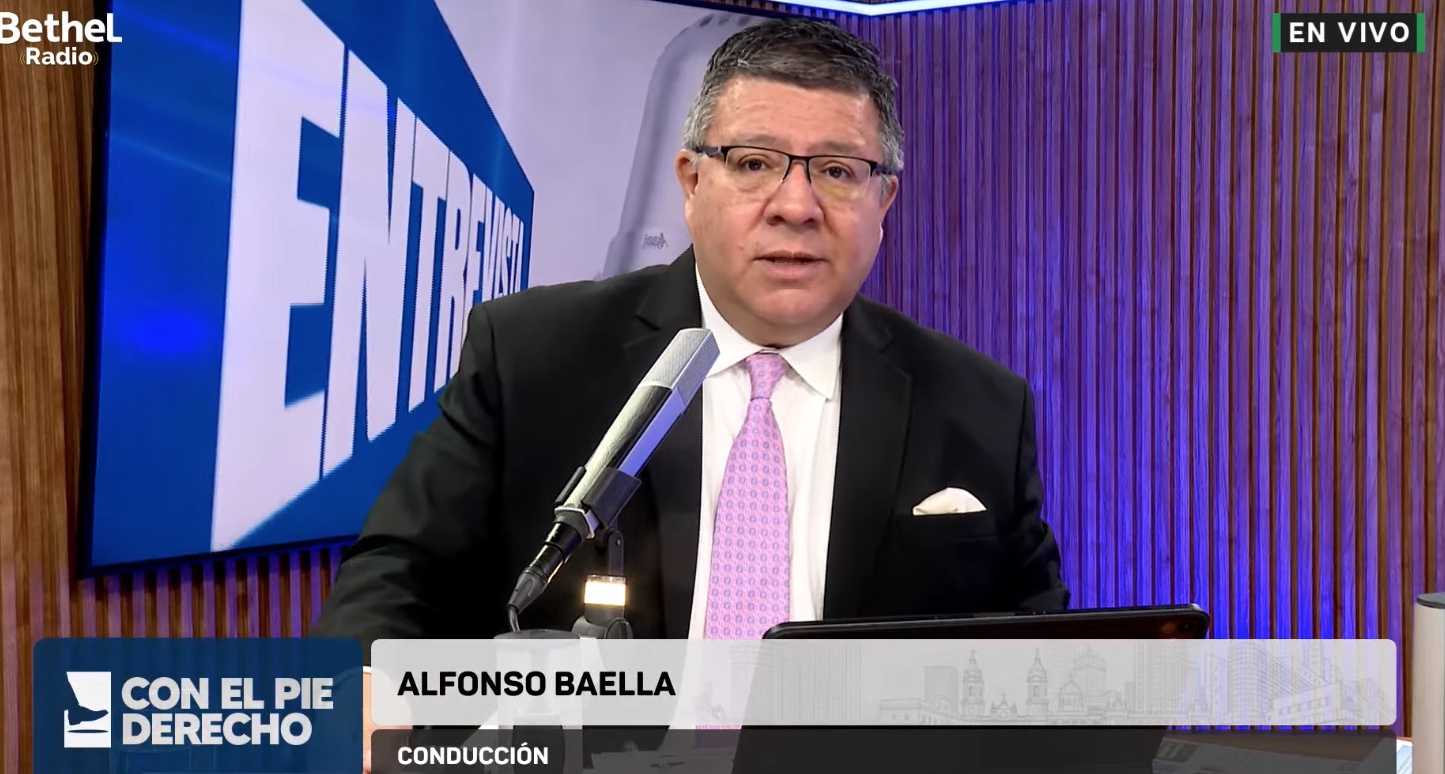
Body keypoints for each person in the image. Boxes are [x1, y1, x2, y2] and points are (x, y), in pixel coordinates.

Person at [312, 17, 1068, 769]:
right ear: (692, 181)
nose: (796, 205)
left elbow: (1041, 653)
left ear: (884, 202)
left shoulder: (978, 405)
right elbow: (400, 574)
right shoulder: (535, 356)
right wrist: (366, 692)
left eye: (837, 171)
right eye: (754, 163)